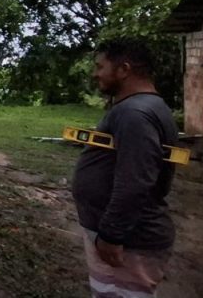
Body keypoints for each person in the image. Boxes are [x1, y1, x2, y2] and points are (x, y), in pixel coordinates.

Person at [72, 39, 179, 297]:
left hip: (129, 243)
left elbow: (136, 181)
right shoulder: (144, 108)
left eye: (100, 66)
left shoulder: (135, 114)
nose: (95, 73)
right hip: (129, 238)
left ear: (124, 69)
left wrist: (111, 234)